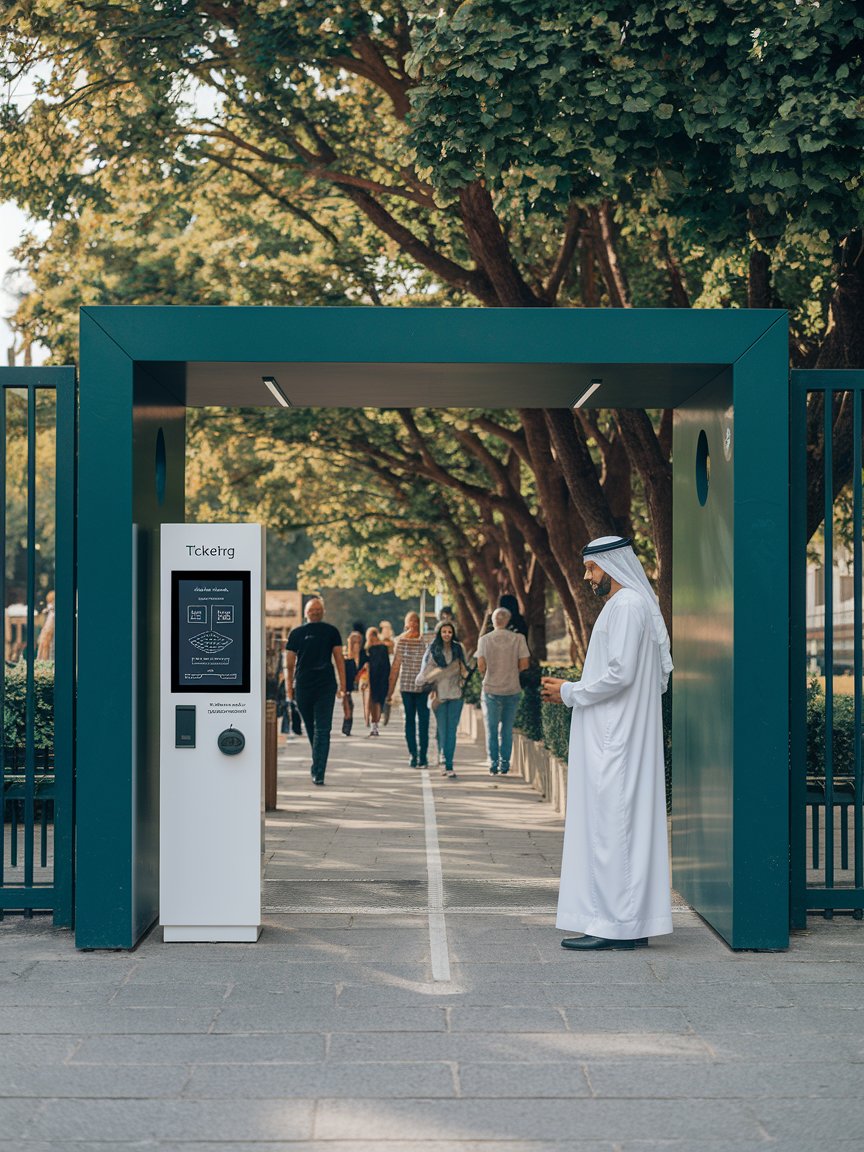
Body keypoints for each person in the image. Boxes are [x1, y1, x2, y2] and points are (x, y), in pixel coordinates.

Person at [541, 535, 673, 952]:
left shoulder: (629, 606)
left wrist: (569, 691)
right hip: (615, 736)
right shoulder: (625, 606)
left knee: (612, 828)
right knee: (617, 827)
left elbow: (619, 674)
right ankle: (625, 924)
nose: (586, 576)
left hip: (616, 740)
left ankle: (616, 925)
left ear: (612, 566)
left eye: (592, 568)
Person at [285, 597, 345, 786]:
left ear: (323, 612)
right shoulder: (296, 634)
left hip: (325, 685)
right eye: (312, 609)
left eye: (319, 609)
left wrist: (343, 685)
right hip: (303, 685)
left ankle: (319, 771)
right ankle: (317, 762)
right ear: (305, 613)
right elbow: (289, 664)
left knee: (323, 729)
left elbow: (339, 658)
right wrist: (289, 689)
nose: (316, 612)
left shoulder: (331, 632)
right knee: (311, 728)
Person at [476, 606, 530, 776]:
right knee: (506, 729)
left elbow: (481, 666)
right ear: (507, 620)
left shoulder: (484, 640)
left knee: (491, 729)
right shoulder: (519, 638)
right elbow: (524, 665)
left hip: (490, 689)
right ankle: (504, 764)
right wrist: (510, 671)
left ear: (493, 620)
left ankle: (493, 764)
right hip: (512, 689)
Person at [416, 620, 472, 779]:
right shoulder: (433, 649)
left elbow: (465, 670)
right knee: (442, 729)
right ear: (439, 633)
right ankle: (442, 756)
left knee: (451, 730)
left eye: (449, 632)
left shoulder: (458, 648)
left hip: (456, 694)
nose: (447, 634)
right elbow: (424, 674)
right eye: (444, 632)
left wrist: (462, 673)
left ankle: (449, 764)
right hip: (439, 695)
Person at [387, 611, 430, 768]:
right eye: (410, 622)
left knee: (424, 721)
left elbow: (432, 663)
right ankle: (413, 754)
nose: (413, 625)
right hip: (406, 687)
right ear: (406, 624)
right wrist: (390, 692)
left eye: (416, 622)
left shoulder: (424, 641)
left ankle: (423, 755)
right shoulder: (401, 641)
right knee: (409, 721)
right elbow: (395, 667)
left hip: (423, 687)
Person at [358, 626, 391, 737]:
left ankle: (375, 724)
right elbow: (361, 663)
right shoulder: (367, 649)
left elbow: (387, 665)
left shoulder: (382, 648)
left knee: (378, 702)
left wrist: (388, 679)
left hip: (380, 678)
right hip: (370, 679)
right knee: (372, 702)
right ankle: (373, 724)